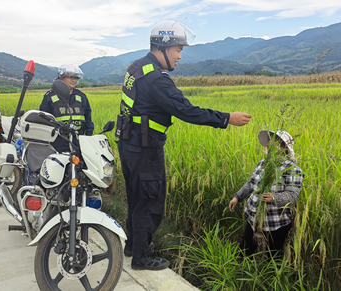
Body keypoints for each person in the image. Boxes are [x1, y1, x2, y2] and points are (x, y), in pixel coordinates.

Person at [116, 20, 252, 271]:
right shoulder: (157, 79)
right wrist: (226, 118)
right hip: (146, 148)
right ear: (163, 47)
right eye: (178, 49)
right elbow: (187, 110)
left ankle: (133, 245)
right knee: (150, 200)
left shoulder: (137, 66)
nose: (180, 56)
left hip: (128, 143)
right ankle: (142, 257)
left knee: (137, 197)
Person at [229, 130, 304, 256]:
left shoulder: (292, 169)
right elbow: (251, 183)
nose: (268, 144)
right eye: (269, 140)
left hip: (275, 222)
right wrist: (237, 197)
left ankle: (271, 275)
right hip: (253, 217)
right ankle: (241, 272)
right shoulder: (263, 163)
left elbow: (293, 195)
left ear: (284, 146)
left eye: (274, 141)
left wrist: (274, 197)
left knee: (273, 255)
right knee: (245, 249)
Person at [40, 64, 94, 152]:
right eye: (71, 77)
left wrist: (87, 139)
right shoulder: (50, 97)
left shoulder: (81, 96)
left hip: (79, 143)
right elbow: (43, 120)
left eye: (76, 78)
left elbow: (88, 120)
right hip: (57, 144)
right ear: (61, 78)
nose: (74, 80)